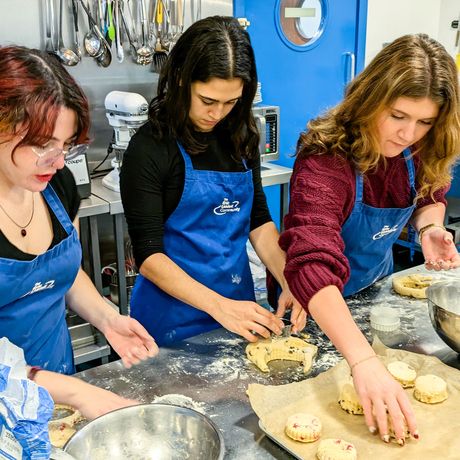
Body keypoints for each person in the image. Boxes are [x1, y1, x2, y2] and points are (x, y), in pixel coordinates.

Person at [279, 34, 460, 444]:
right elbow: (311, 258)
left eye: (425, 121)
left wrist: (430, 228)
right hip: (315, 305)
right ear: (371, 98)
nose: (407, 134)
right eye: (397, 115)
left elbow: (432, 190)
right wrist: (362, 361)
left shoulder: (418, 147)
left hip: (371, 295)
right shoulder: (327, 154)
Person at [120, 16, 306, 346]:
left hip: (239, 307)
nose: (217, 114)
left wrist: (289, 277)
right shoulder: (149, 148)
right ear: (180, 80)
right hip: (170, 319)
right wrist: (221, 308)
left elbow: (259, 221)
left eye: (231, 102)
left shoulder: (241, 135)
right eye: (207, 101)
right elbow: (148, 256)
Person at [0, 45, 159, 375]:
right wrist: (75, 394)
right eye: (43, 145)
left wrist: (108, 318)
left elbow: (64, 276)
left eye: (67, 145)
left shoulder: (58, 186)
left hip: (58, 381)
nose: (58, 162)